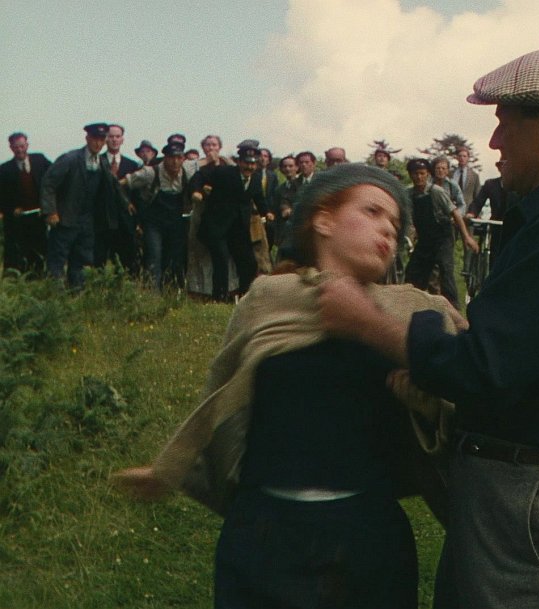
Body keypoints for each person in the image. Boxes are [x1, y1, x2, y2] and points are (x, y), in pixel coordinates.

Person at [318, 48, 539, 609]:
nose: (494, 142)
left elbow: (482, 368)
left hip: (531, 509)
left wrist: (367, 321)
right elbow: (516, 359)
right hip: (512, 496)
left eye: (504, 123)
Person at [112, 163, 461, 609]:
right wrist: (171, 465)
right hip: (265, 535)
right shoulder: (267, 299)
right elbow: (222, 390)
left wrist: (427, 407)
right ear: (323, 219)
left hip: (367, 541)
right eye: (372, 212)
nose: (388, 231)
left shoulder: (412, 312)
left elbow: (465, 400)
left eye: (395, 224)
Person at [40, 122, 125, 289]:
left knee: (81, 262)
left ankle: (77, 296)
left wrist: (126, 204)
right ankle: (55, 297)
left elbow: (113, 186)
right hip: (65, 220)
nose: (98, 143)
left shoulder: (102, 163)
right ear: (87, 138)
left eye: (101, 140)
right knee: (57, 261)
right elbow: (48, 183)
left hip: (87, 222)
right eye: (94, 139)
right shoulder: (70, 159)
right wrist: (50, 211)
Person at [121, 140, 201, 290]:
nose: (175, 162)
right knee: (154, 257)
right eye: (171, 158)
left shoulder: (187, 172)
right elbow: (122, 183)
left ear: (183, 159)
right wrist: (126, 202)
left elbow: (206, 168)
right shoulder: (150, 173)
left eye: (179, 158)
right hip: (153, 223)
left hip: (175, 222)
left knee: (175, 259)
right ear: (165, 158)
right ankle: (153, 295)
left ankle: (172, 293)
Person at [190, 142, 264, 302]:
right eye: (246, 163)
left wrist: (269, 213)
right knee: (221, 260)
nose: (249, 167)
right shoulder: (224, 172)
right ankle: (220, 298)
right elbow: (199, 176)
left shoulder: (256, 179)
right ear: (239, 162)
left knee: (249, 262)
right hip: (216, 227)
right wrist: (197, 191)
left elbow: (259, 199)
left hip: (238, 230)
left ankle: (245, 297)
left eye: (253, 164)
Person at [403, 158, 477, 310]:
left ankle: (453, 309)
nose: (419, 177)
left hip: (443, 237)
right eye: (415, 174)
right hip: (425, 239)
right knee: (413, 273)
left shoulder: (437, 191)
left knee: (445, 269)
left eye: (422, 173)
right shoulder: (408, 194)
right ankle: (412, 306)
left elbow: (455, 213)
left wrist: (466, 237)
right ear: (410, 175)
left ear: (428, 174)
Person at [186, 134, 238, 299]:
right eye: (207, 145)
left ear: (219, 147)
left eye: (214, 145)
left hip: (224, 215)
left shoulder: (228, 163)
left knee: (224, 255)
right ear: (203, 147)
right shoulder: (196, 165)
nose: (211, 148)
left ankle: (227, 289)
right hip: (202, 213)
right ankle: (200, 290)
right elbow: (188, 177)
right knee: (199, 252)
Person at [0, 132, 51, 275]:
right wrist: (11, 209)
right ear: (11, 148)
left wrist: (48, 206)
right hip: (17, 221)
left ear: (27, 145)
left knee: (40, 251)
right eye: (16, 147)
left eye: (22, 146)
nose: (20, 150)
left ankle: (40, 278)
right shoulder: (4, 170)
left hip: (39, 216)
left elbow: (53, 180)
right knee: (19, 253)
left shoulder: (40, 160)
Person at [95, 124, 140, 274]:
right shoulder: (97, 161)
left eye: (117, 136)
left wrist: (137, 221)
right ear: (105, 139)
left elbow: (137, 195)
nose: (114, 140)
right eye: (111, 136)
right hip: (101, 220)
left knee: (127, 262)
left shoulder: (132, 165)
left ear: (122, 140)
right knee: (99, 261)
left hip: (125, 221)